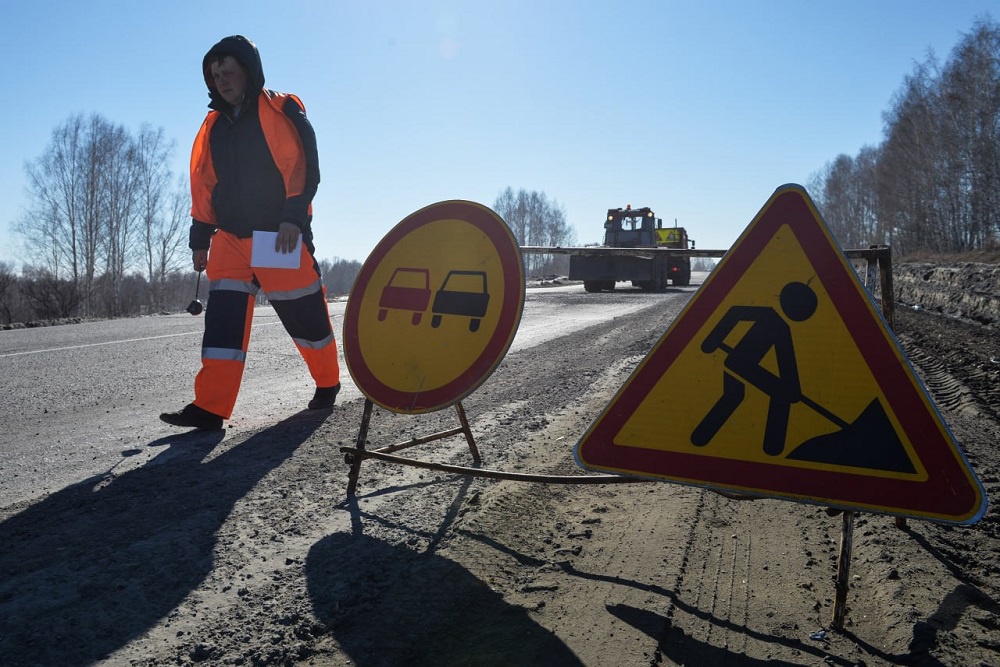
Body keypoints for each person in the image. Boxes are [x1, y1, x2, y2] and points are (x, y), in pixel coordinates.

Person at [161, 35, 341, 431]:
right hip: (228, 237)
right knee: (222, 326)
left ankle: (328, 383)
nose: (221, 81)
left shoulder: (281, 107)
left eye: (228, 72)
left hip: (277, 234)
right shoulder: (213, 126)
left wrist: (293, 218)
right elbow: (204, 183)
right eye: (214, 75)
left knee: (303, 311)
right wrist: (200, 238)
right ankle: (210, 408)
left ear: (248, 71)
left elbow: (303, 167)